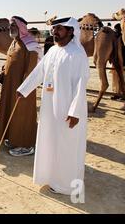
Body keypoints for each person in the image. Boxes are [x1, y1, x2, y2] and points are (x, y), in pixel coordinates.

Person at [17, 17, 90, 196]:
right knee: (49, 141)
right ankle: (49, 177)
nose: (55, 32)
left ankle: (66, 186)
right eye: (54, 29)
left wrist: (75, 112)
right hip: (50, 107)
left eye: (60, 29)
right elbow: (39, 72)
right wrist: (23, 89)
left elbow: (81, 86)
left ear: (71, 31)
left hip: (68, 110)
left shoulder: (77, 54)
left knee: (66, 146)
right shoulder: (53, 51)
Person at [0, 16, 41, 157]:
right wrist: (2, 74)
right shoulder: (14, 42)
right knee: (11, 112)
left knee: (23, 115)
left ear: (21, 27)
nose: (10, 28)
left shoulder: (31, 45)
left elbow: (32, 70)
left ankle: (26, 145)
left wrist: (24, 89)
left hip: (23, 89)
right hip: (10, 86)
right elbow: (10, 62)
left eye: (13, 26)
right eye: (10, 26)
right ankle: (15, 139)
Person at [111, 23, 125, 100]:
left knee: (123, 78)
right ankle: (116, 93)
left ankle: (122, 94)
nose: (116, 31)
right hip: (116, 62)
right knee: (115, 79)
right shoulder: (115, 38)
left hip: (124, 61)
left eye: (117, 30)